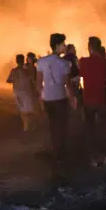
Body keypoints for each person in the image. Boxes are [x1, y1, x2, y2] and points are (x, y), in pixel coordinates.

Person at [36, 34, 75, 162]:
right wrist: (72, 99)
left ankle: (55, 150)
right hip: (60, 98)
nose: (65, 46)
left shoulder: (41, 62)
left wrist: (40, 99)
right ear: (57, 45)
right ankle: (61, 151)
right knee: (62, 125)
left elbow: (38, 83)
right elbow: (67, 84)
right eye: (63, 44)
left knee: (53, 125)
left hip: (47, 98)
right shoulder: (65, 63)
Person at [79, 37, 106, 165]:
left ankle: (94, 158)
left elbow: (80, 77)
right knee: (105, 129)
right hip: (102, 99)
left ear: (90, 47)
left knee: (90, 129)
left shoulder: (83, 62)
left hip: (88, 100)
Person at [7, 54, 40, 133]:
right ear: (23, 60)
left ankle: (27, 128)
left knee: (23, 111)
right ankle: (28, 128)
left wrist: (15, 80)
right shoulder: (26, 71)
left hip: (17, 93)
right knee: (29, 111)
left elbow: (8, 80)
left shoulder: (14, 70)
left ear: (16, 61)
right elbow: (32, 80)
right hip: (26, 93)